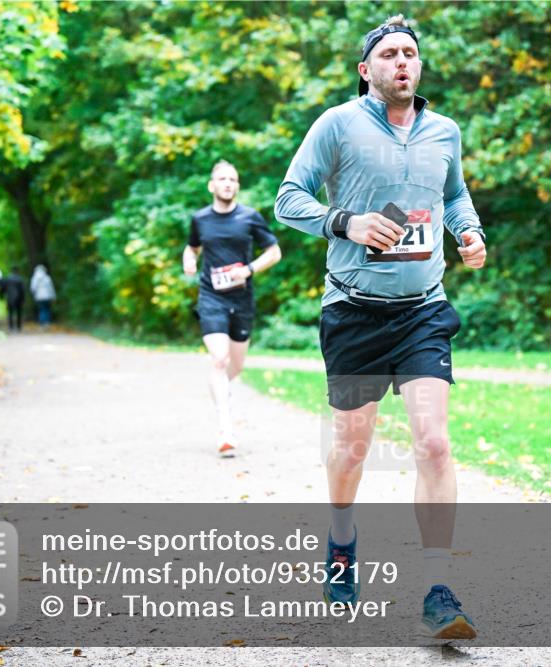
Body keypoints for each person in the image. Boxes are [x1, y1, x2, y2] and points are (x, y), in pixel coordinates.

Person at [274, 15, 486, 640]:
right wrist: (348, 223)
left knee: (434, 442)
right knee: (352, 449)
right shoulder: (336, 125)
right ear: (367, 69)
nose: (402, 62)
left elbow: (454, 195)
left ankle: (438, 588)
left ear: (419, 67)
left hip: (422, 309)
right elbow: (289, 198)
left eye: (410, 54)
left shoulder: (445, 130)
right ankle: (341, 542)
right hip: (353, 309)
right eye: (389, 54)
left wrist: (467, 231)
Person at [183, 160, 282, 457]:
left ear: (237, 186)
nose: (228, 183)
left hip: (241, 298)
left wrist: (249, 269)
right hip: (211, 296)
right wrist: (188, 259)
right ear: (212, 186)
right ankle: (225, 426)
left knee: (235, 366)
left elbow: (274, 252)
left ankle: (220, 389)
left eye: (233, 180)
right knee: (219, 359)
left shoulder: (249, 217)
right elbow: (192, 247)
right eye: (223, 179)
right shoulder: (200, 219)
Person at [0, 267, 26, 332]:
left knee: (10, 313)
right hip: (19, 298)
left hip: (10, 298)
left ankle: (11, 327)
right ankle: (18, 327)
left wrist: (1, 296)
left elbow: (3, 288)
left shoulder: (7, 279)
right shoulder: (20, 279)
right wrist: (23, 299)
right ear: (17, 272)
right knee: (19, 313)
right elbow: (23, 290)